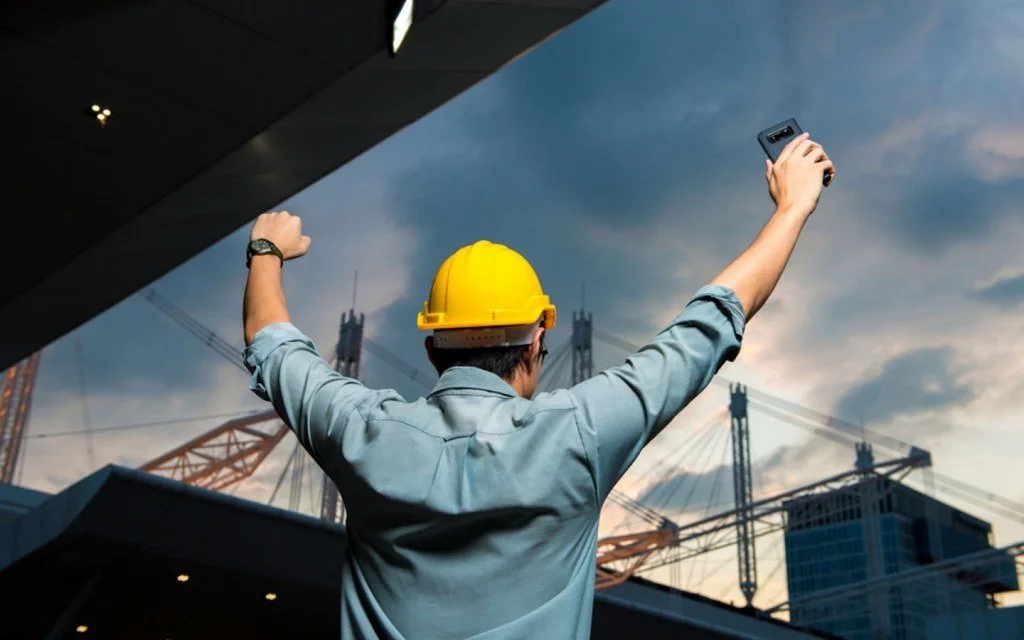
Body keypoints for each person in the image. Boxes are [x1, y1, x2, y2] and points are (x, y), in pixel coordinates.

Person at [242, 133, 834, 639]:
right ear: (535, 346)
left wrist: (266, 250)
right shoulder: (579, 434)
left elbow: (272, 346)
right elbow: (709, 323)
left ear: (430, 346)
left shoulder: (361, 433)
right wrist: (791, 208)